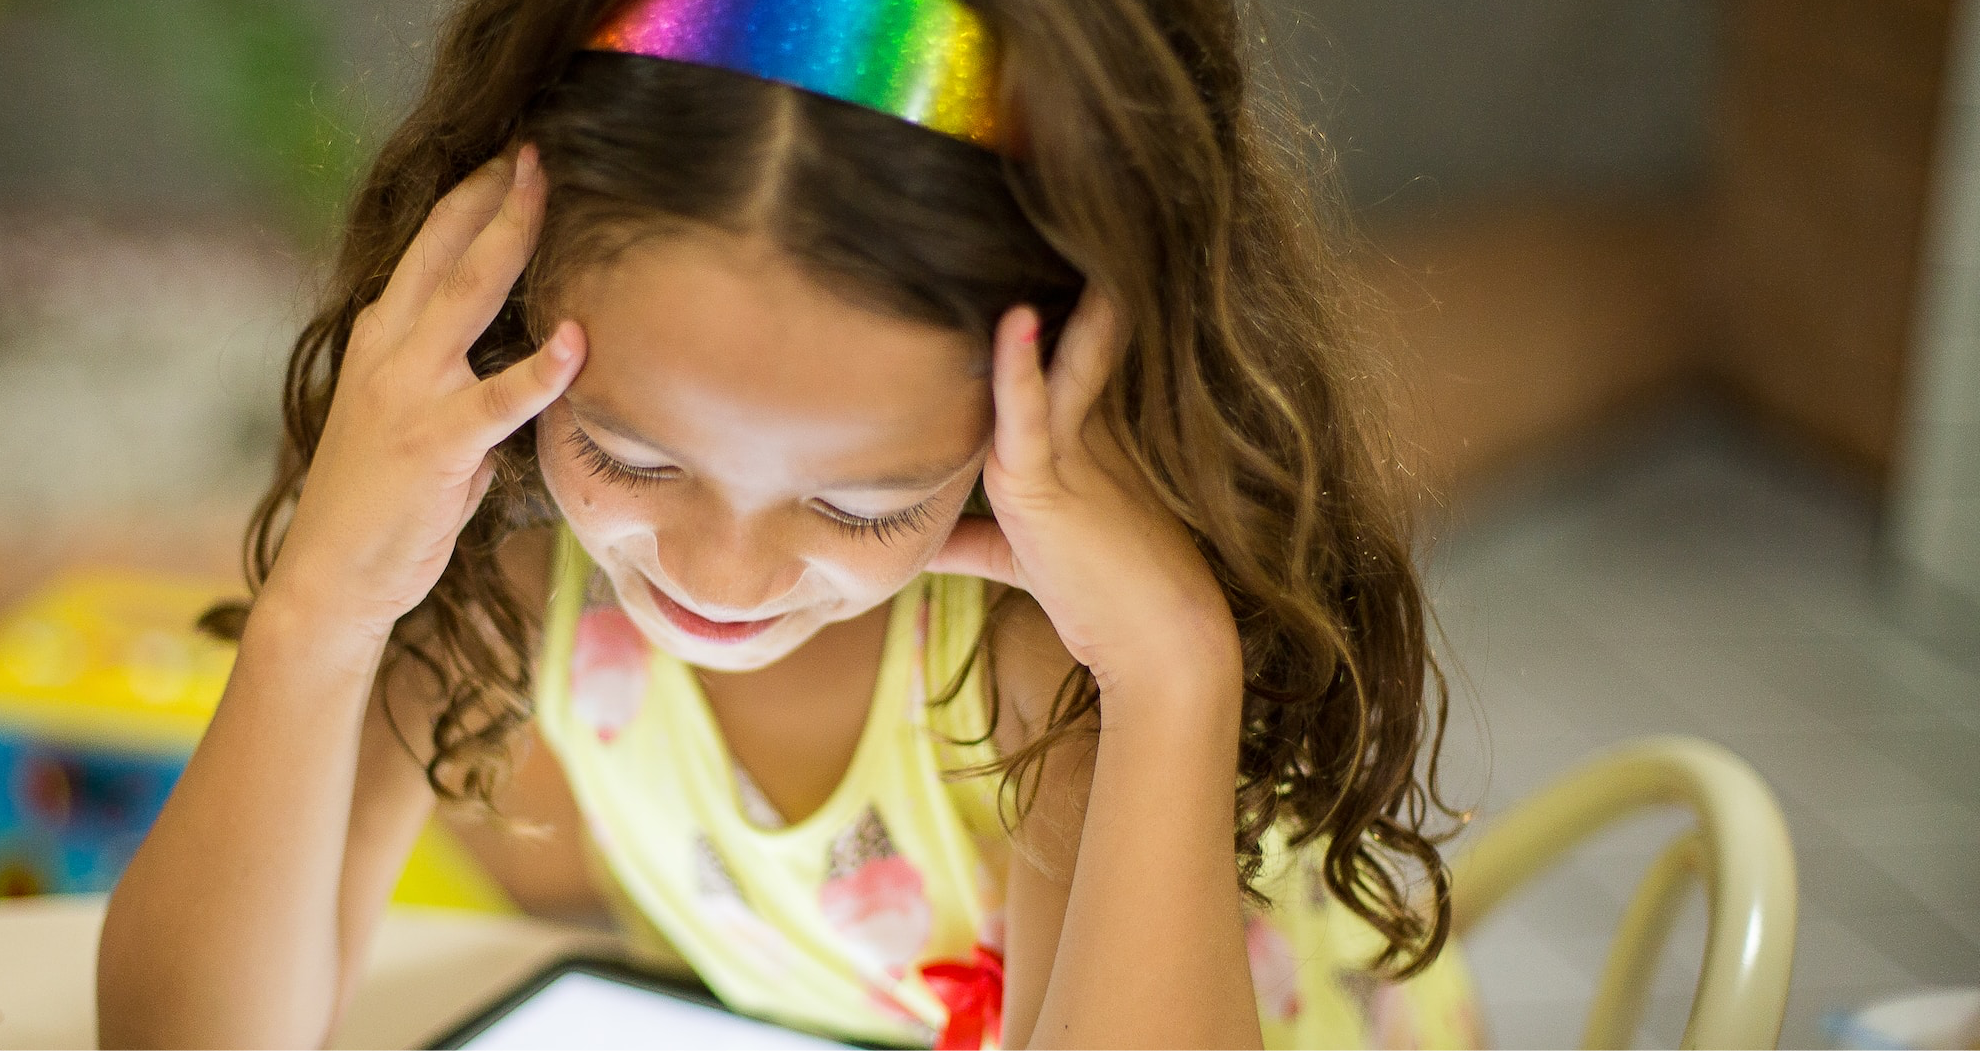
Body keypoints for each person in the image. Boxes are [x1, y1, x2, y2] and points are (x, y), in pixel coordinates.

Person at [96, 0, 1487, 1048]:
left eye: (856, 499)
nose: (721, 572)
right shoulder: (516, 575)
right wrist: (321, 607)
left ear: (1062, 411)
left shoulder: (1048, 665)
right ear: (510, 320)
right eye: (627, 454)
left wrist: (1176, 666)